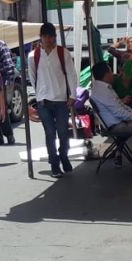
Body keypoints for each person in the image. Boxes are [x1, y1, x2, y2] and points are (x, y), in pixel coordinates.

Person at [27, 23, 78, 178]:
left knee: (63, 132)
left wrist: (72, 96)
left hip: (61, 100)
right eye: (46, 36)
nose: (49, 39)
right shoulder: (33, 56)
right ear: (41, 37)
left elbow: (71, 74)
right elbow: (32, 77)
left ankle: (64, 155)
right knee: (50, 133)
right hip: (43, 101)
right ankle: (54, 163)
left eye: (51, 36)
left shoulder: (63, 53)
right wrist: (38, 95)